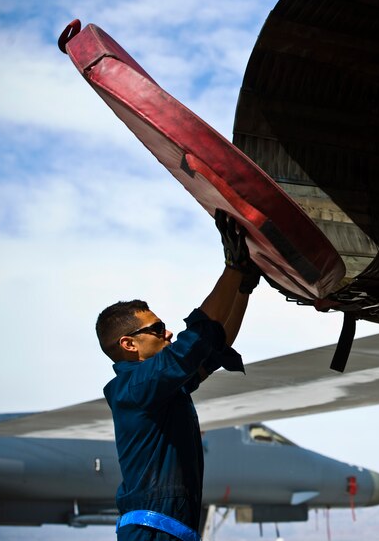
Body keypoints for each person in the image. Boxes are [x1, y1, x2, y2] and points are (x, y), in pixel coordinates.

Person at [95, 209, 261, 541]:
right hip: (151, 534)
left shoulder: (160, 391)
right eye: (156, 329)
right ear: (129, 344)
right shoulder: (133, 388)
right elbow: (192, 342)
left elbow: (212, 346)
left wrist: (243, 288)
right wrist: (232, 268)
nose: (168, 332)